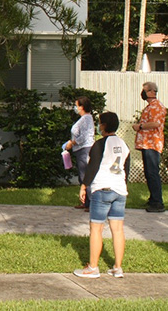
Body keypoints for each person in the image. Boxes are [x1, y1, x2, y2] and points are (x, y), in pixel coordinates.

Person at [73, 112, 130, 278]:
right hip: (119, 189)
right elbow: (126, 168)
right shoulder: (123, 144)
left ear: (103, 126)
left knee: (96, 228)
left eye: (99, 123)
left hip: (103, 189)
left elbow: (93, 167)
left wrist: (84, 186)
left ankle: (93, 267)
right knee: (118, 229)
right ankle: (118, 267)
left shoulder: (99, 144)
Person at [132, 82, 166, 213]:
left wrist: (139, 126)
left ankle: (158, 203)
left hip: (152, 143)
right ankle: (153, 199)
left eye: (144, 90)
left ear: (152, 92)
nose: (143, 92)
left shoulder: (156, 106)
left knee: (152, 173)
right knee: (149, 172)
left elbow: (156, 123)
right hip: (147, 143)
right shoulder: (150, 107)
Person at [65, 96, 95, 211]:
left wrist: (72, 143)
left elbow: (84, 136)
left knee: (86, 175)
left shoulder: (87, 119)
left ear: (82, 107)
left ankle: (91, 202)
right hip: (79, 149)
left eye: (76, 105)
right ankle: (86, 202)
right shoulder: (83, 119)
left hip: (84, 148)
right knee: (82, 175)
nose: (75, 108)